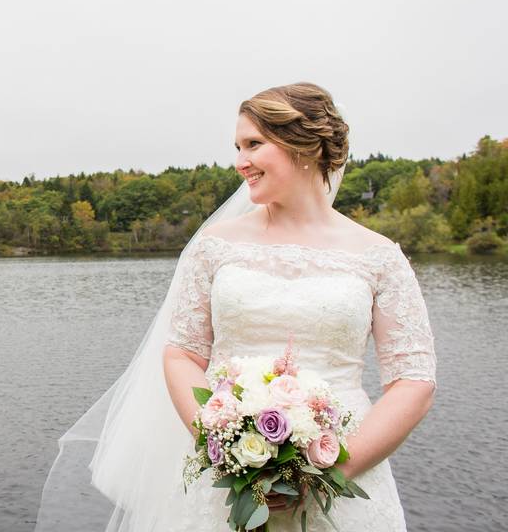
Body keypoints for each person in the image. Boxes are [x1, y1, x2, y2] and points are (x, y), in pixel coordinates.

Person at [34, 82, 436, 532]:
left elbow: (413, 380)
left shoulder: (379, 256)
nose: (240, 162)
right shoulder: (214, 247)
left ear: (303, 145)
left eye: (253, 144)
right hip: (227, 479)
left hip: (344, 469)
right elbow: (182, 354)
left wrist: (331, 473)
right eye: (238, 146)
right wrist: (221, 443)